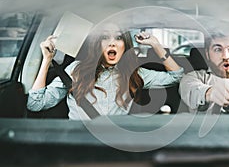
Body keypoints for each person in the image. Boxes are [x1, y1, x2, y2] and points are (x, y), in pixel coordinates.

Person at [27, 23, 184, 120]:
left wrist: (156, 45)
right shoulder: (76, 70)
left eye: (118, 38)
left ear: (125, 45)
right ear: (97, 44)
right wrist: (47, 60)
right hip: (78, 143)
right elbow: (35, 104)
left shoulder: (135, 73)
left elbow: (177, 76)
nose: (112, 44)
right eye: (105, 38)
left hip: (114, 144)